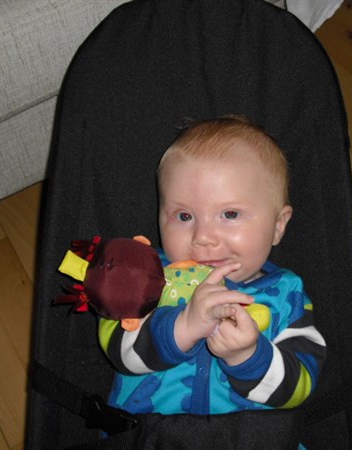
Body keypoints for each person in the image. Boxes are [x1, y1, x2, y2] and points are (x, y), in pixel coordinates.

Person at [98, 115, 326, 416]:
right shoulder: (145, 274)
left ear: (278, 225)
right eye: (184, 216)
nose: (203, 237)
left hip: (248, 436)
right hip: (147, 434)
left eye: (230, 214)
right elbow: (118, 351)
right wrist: (183, 328)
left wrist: (249, 357)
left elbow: (301, 387)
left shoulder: (288, 296)